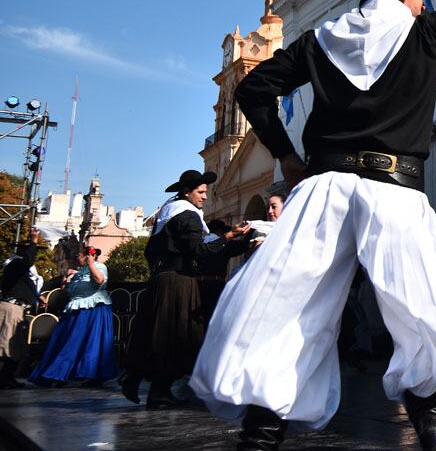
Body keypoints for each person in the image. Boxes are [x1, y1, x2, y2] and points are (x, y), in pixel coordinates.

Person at [190, 0, 436, 451]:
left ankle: (262, 434)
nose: (425, 3)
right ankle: (431, 422)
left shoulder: (318, 42)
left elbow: (256, 89)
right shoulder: (426, 36)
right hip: (396, 188)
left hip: (324, 188)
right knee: (424, 310)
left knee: (290, 308)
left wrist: (286, 155)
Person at [120, 169, 250, 409]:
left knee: (156, 332)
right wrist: (228, 237)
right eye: (200, 192)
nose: (205, 197)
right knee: (175, 336)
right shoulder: (187, 215)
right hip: (178, 281)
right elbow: (199, 251)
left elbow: (155, 251)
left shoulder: (169, 212)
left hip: (165, 277)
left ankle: (139, 378)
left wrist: (230, 238)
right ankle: (158, 390)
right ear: (187, 192)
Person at [29, 245, 118, 387]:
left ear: (89, 256)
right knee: (64, 340)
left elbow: (100, 281)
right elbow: (68, 291)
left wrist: (90, 265)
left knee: (84, 343)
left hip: (93, 309)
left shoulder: (99, 266)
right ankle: (58, 373)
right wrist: (66, 279)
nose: (77, 258)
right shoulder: (79, 272)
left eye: (79, 255)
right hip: (76, 309)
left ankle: (88, 375)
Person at [1, 242, 45, 390]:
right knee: (7, 346)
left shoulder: (20, 268)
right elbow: (27, 261)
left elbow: (26, 285)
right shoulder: (16, 263)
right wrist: (34, 241)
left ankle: (7, 377)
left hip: (18, 309)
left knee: (16, 347)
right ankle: (5, 378)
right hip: (11, 308)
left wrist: (37, 297)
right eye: (31, 251)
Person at [195, 219, 252, 319]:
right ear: (221, 231)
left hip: (198, 285)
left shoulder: (201, 243)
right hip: (216, 285)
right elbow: (244, 246)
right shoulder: (225, 245)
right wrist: (251, 230)